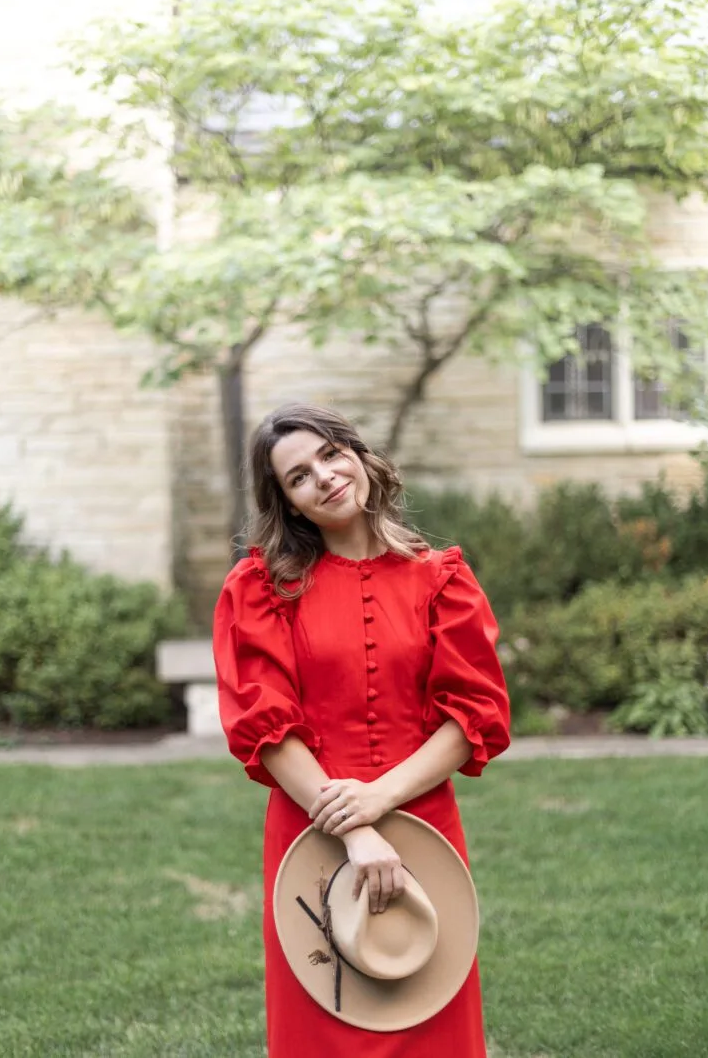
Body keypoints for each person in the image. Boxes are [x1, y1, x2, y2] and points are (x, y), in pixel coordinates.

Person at [213, 403, 511, 1058]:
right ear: (289, 504)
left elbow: (474, 717)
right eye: (297, 477)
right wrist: (354, 825)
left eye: (329, 454)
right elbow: (266, 729)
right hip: (311, 826)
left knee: (430, 1011)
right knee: (327, 1020)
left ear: (357, 453)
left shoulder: (444, 580)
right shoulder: (262, 588)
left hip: (424, 823)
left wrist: (379, 798)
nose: (322, 477)